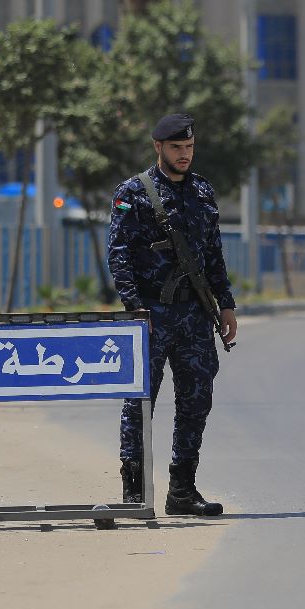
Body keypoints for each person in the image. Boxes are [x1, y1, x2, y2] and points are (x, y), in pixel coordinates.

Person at [107, 112, 237, 516]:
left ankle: (182, 490)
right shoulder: (134, 192)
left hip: (195, 315)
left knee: (196, 400)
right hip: (150, 315)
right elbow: (119, 254)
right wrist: (133, 307)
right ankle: (133, 494)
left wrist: (226, 303)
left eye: (190, 148)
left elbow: (212, 253)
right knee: (140, 400)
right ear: (158, 147)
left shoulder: (202, 192)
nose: (185, 155)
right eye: (177, 148)